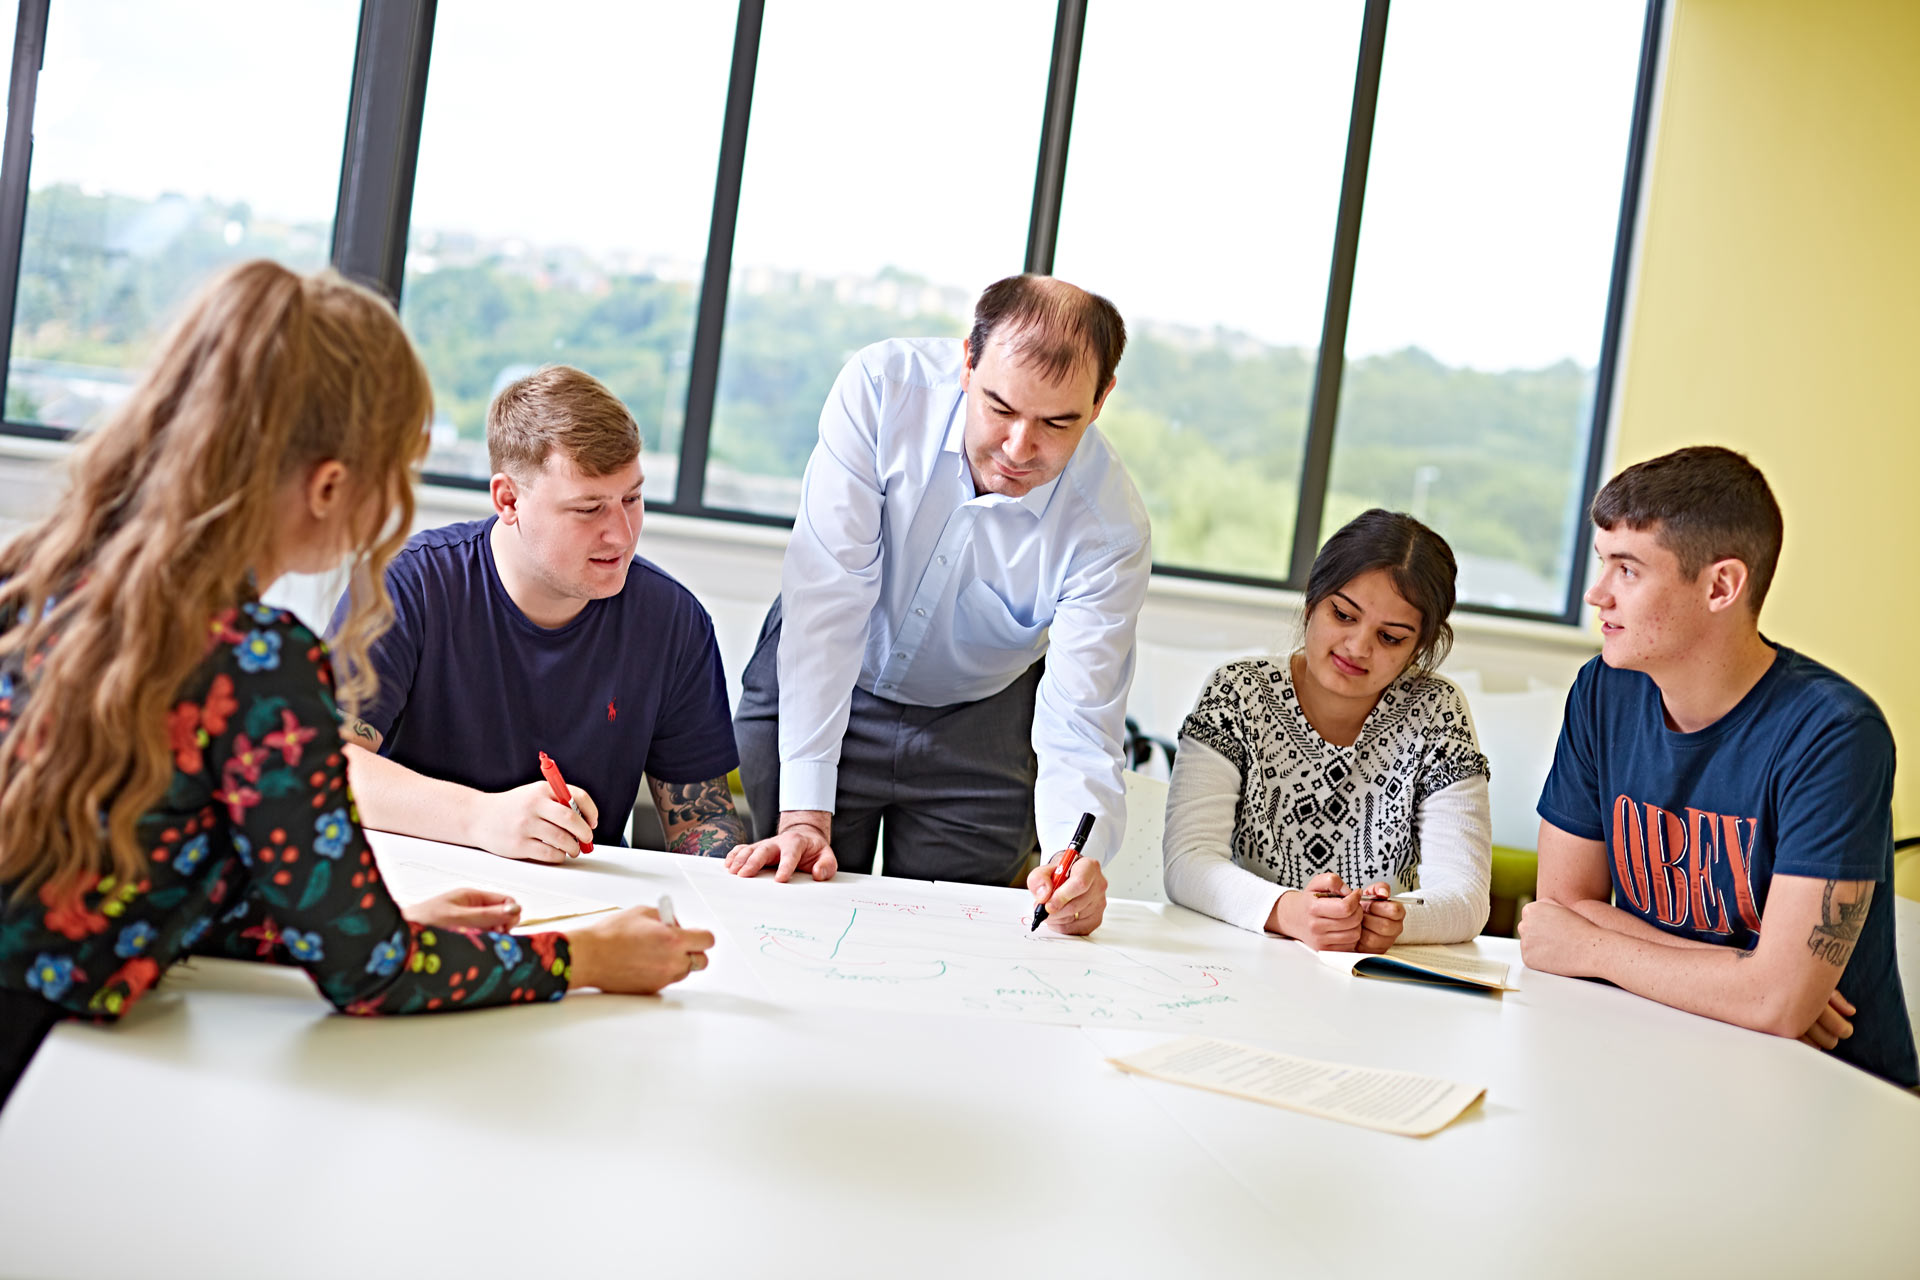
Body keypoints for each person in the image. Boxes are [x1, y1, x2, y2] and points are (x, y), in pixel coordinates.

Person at [0, 262, 714, 1108]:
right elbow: (369, 976)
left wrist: (375, 924)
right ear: (332, 485)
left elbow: (151, 877)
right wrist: (590, 958)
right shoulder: (257, 665)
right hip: (41, 1062)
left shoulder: (47, 583)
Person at [726, 275, 1150, 935]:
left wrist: (1077, 856)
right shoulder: (881, 389)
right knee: (787, 919)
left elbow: (1081, 718)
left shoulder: (1108, 528)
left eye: (1056, 423)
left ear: (1100, 403)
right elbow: (829, 600)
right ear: (968, 363)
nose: (1018, 449)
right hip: (827, 676)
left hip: (980, 724)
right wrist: (806, 812)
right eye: (1001, 409)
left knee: (949, 943)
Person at [1522, 446, 1915, 1086]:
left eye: (1627, 570)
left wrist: (1593, 946)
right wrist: (1749, 983)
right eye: (1603, 564)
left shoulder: (1836, 733)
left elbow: (1778, 1006)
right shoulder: (1603, 690)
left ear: (1720, 586)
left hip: (1831, 1093)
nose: (1597, 595)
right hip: (1664, 1051)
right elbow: (1559, 905)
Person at [328, 365, 744, 863]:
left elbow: (702, 819)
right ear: (508, 500)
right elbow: (322, 767)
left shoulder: (674, 622)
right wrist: (482, 819)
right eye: (589, 509)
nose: (622, 534)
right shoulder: (407, 586)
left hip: (591, 902)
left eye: (631, 499)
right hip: (420, 883)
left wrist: (743, 867)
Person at [1163, 510, 1492, 949]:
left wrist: (1390, 921)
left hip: (1371, 979)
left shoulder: (1437, 711)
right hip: (1240, 961)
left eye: (1391, 637)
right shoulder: (1238, 692)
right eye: (1342, 614)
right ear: (1312, 600)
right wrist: (1288, 911)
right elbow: (1189, 861)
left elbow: (1466, 896)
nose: (1358, 647)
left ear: (1421, 646)